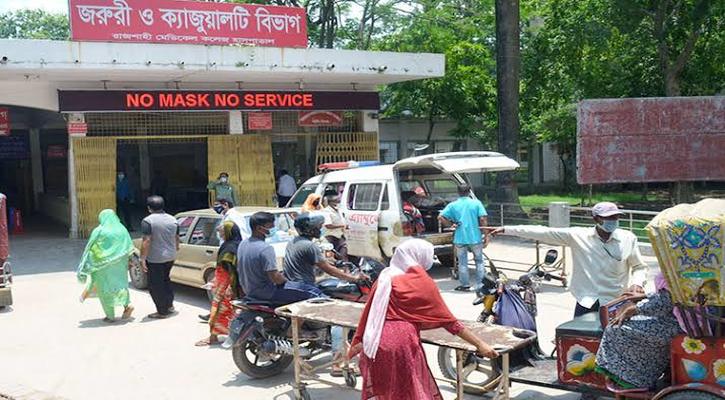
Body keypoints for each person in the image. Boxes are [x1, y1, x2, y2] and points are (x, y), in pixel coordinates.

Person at [348, 239, 499, 400]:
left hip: (374, 344)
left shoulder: (385, 277)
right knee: (410, 392)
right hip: (401, 345)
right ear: (418, 256)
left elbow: (369, 313)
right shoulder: (419, 281)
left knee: (388, 394)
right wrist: (480, 344)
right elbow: (450, 322)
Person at [490, 201, 648, 317]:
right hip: (587, 300)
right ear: (596, 219)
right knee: (579, 344)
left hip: (616, 302)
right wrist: (506, 229)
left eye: (616, 217)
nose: (613, 220)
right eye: (608, 217)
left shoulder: (628, 238)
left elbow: (639, 267)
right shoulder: (578, 236)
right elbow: (543, 232)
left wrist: (637, 283)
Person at [284, 213, 368, 375]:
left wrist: (336, 262)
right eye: (318, 227)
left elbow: (320, 262)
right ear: (310, 229)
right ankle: (338, 364)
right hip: (304, 288)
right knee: (337, 318)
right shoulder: (310, 246)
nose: (321, 229)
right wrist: (354, 278)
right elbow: (328, 270)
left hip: (292, 286)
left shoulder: (295, 242)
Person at [595, 273, 684, 389]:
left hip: (679, 325)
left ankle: (633, 379)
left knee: (614, 329)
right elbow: (666, 297)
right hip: (683, 321)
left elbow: (664, 303)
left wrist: (635, 309)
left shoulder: (675, 270)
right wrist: (644, 297)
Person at [76, 209, 135, 322]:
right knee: (120, 285)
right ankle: (127, 305)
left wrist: (87, 262)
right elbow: (129, 246)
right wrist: (130, 260)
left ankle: (110, 316)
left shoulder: (99, 230)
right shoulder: (122, 229)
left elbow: (90, 247)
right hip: (120, 263)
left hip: (102, 264)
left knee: (104, 288)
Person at [196, 221, 242, 346]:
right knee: (229, 310)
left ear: (228, 232)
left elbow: (231, 270)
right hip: (224, 283)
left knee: (219, 310)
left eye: (222, 232)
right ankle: (232, 335)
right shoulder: (235, 245)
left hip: (226, 285)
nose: (220, 234)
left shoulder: (230, 248)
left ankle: (213, 337)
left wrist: (229, 286)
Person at [438, 184, 489, 292]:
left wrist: (451, 225)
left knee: (462, 262)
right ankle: (480, 285)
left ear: (458, 192)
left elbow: (440, 217)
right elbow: (483, 219)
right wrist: (486, 235)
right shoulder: (476, 203)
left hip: (460, 237)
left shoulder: (453, 205)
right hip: (475, 237)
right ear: (469, 191)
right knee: (479, 261)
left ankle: (465, 285)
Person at [140, 195, 179, 319]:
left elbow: (146, 240)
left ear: (149, 208)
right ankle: (169, 305)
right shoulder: (173, 219)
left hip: (156, 258)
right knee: (166, 280)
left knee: (155, 285)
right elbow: (177, 238)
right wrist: (176, 249)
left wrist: (142, 258)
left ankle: (162, 311)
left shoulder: (148, 221)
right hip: (170, 255)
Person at [323, 195, 348, 262]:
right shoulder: (326, 212)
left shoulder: (338, 210)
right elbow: (328, 225)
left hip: (340, 235)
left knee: (343, 252)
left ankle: (344, 265)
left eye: (339, 201)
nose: (338, 203)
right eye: (336, 201)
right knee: (332, 256)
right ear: (330, 202)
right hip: (331, 236)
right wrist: (342, 226)